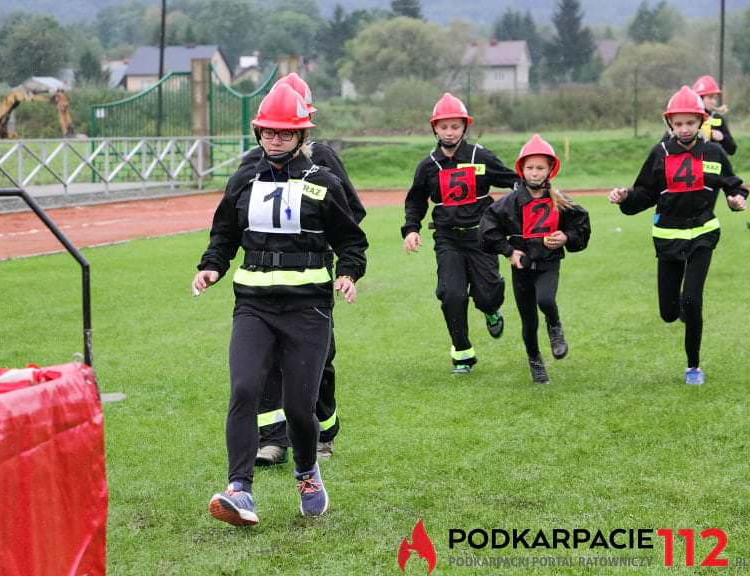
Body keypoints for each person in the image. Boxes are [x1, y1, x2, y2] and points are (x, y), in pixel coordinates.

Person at [192, 84, 368, 526]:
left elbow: (352, 240)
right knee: (244, 389)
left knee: (297, 409)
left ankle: (307, 472)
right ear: (258, 133)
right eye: (268, 133)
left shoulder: (323, 182)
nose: (275, 140)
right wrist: (212, 266)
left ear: (301, 136)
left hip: (308, 311)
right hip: (253, 306)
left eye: (284, 134)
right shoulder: (242, 181)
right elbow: (224, 234)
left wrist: (348, 272)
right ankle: (240, 490)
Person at [238, 73, 365, 466]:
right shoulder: (251, 165)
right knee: (267, 360)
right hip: (262, 284)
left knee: (319, 358)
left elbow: (352, 214)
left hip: (312, 278)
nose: (277, 138)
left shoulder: (323, 160)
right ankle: (272, 440)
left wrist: (323, 245)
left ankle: (324, 432)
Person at [608, 85, 746, 385]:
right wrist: (624, 198)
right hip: (668, 237)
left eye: (690, 122)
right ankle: (681, 311)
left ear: (701, 121)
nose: (684, 129)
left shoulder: (714, 151)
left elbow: (732, 184)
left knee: (693, 301)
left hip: (703, 235)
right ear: (670, 123)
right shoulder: (659, 153)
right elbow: (643, 193)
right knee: (669, 313)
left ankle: (693, 367)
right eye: (678, 123)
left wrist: (736, 200)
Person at [401, 92, 517, 374]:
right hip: (447, 239)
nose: (449, 132)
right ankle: (462, 353)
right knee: (451, 295)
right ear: (434, 129)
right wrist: (411, 229)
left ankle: (491, 310)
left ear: (465, 127)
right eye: (443, 127)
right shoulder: (427, 166)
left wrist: (524, 203)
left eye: (455, 126)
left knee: (488, 295)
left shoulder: (481, 156)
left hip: (482, 238)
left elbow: (514, 180)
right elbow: (416, 201)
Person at [479, 135, 591, 384]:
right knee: (528, 322)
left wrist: (566, 237)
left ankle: (555, 327)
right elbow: (488, 227)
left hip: (549, 262)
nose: (535, 172)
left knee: (546, 299)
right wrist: (509, 251)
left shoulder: (559, 200)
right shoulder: (510, 202)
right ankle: (535, 362)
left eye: (540, 168)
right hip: (523, 267)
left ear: (550, 169)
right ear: (521, 169)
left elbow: (580, 225)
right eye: (530, 167)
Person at [692, 75, 737, 156]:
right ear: (699, 98)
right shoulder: (687, 118)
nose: (713, 101)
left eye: (715, 98)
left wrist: (722, 138)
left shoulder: (717, 119)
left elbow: (732, 149)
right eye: (710, 97)